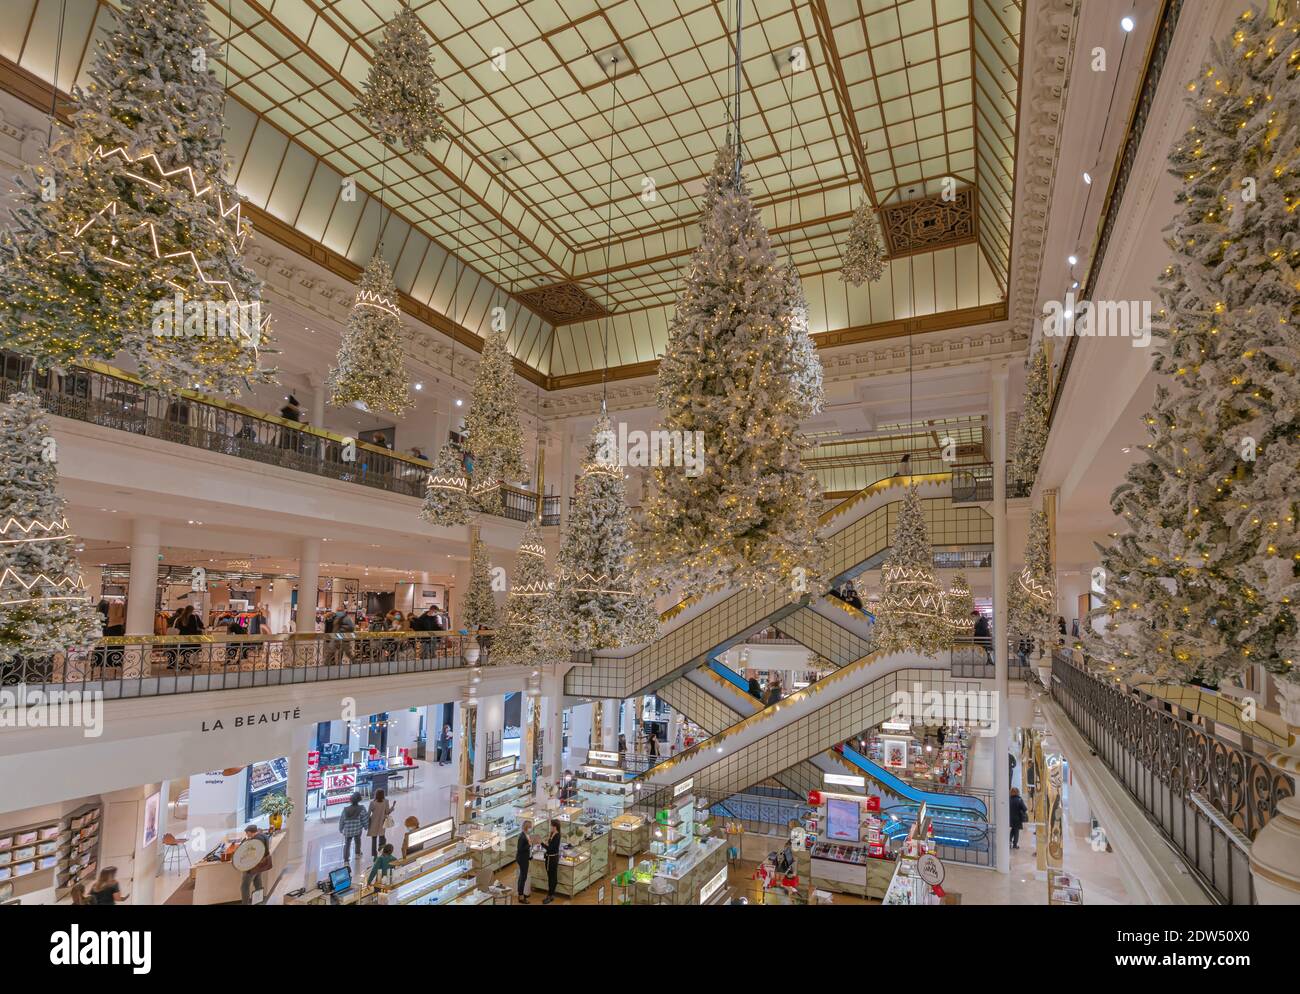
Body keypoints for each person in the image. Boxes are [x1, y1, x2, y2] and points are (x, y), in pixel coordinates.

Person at [239, 824, 272, 905]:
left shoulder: (254, 841)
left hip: (252, 867)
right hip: (260, 866)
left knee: (244, 887)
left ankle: (245, 903)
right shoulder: (264, 836)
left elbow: (244, 850)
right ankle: (259, 902)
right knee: (258, 884)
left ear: (250, 832)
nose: (246, 835)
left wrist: (246, 840)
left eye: (247, 833)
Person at [339, 792, 367, 861]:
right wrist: (366, 826)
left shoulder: (345, 809)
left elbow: (342, 820)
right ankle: (357, 854)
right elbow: (364, 819)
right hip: (357, 829)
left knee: (347, 844)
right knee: (357, 841)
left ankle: (346, 860)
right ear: (359, 799)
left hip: (348, 831)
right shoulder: (362, 808)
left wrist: (341, 828)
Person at [367, 788, 396, 856]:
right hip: (382, 823)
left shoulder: (372, 803)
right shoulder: (386, 801)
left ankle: (374, 855)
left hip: (373, 823)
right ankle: (382, 852)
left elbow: (368, 814)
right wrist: (393, 807)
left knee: (374, 839)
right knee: (382, 837)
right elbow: (387, 812)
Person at [543, 819, 562, 904]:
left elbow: (550, 849)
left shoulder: (557, 836)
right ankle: (550, 894)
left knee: (552, 877)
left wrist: (541, 844)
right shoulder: (552, 834)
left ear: (555, 826)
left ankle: (550, 895)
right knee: (550, 877)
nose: (550, 827)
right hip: (549, 858)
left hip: (552, 859)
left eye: (551, 825)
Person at [516, 819, 534, 903]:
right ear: (527, 827)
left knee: (523, 877)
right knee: (523, 877)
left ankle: (521, 893)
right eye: (530, 827)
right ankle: (521, 896)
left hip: (525, 858)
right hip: (522, 859)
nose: (531, 828)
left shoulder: (526, 835)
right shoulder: (522, 836)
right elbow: (520, 849)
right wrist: (529, 845)